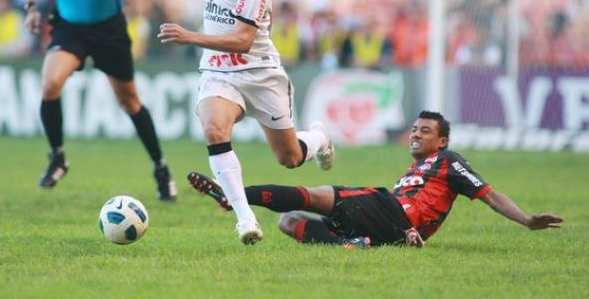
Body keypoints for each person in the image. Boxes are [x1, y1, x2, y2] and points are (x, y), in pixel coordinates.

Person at [157, 0, 335, 245]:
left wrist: (190, 36)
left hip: (261, 72)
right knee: (214, 128)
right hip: (218, 71)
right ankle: (245, 219)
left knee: (290, 158)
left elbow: (242, 40)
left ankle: (318, 139)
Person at [188, 111, 564, 248]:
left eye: (426, 131)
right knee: (288, 222)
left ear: (442, 141)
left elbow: (489, 194)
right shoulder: (415, 169)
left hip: (398, 216)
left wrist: (528, 221)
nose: (416, 134)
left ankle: (232, 196)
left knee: (316, 195)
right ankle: (354, 243)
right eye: (415, 129)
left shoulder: (448, 161)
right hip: (391, 227)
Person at [21, 0, 176, 201]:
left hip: (108, 29)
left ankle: (161, 168)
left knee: (129, 101)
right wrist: (32, 7)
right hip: (69, 27)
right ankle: (58, 157)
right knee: (50, 84)